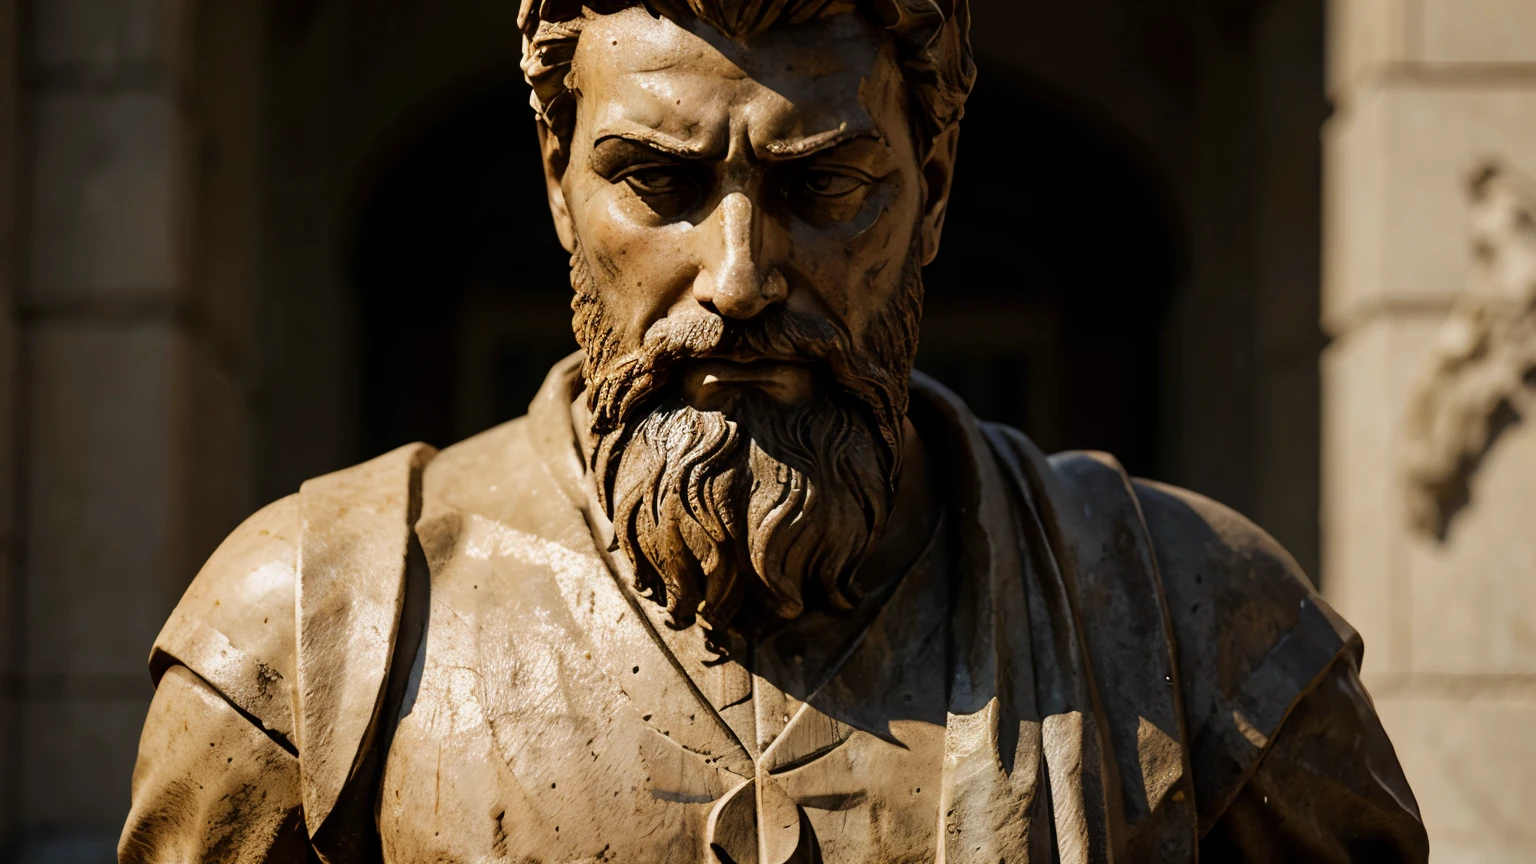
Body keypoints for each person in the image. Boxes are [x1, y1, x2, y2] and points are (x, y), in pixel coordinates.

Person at [119, 2, 1428, 861]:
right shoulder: (305, 637)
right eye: (660, 184)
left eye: (823, 188)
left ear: (934, 187)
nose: (740, 277)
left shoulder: (1206, 631)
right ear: (557, 181)